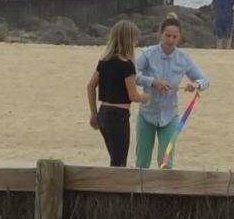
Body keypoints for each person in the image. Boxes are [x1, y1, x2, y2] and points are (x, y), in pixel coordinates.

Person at [133, 16, 210, 169]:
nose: (171, 40)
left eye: (175, 36)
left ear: (179, 37)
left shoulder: (184, 58)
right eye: (167, 35)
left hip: (170, 116)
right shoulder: (148, 53)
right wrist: (153, 82)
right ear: (161, 34)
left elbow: (205, 80)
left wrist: (195, 84)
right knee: (142, 160)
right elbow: (133, 76)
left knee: (166, 161)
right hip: (147, 113)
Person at [85, 20, 149, 167]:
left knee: (114, 158)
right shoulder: (127, 65)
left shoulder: (104, 61)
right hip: (118, 115)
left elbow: (90, 87)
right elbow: (133, 96)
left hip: (104, 113)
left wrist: (94, 114)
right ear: (129, 40)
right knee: (119, 162)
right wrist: (145, 98)